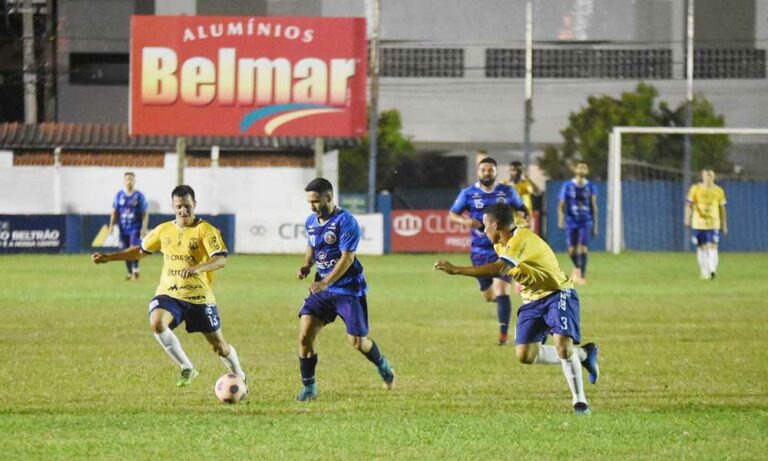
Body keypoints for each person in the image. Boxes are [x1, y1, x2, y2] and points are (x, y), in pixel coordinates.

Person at [434, 203, 600, 415]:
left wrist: (457, 270)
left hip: (557, 292)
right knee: (525, 355)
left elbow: (500, 268)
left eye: (486, 226)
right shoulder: (500, 243)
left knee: (563, 347)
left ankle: (580, 402)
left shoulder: (520, 238)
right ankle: (585, 354)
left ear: (496, 225)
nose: (484, 231)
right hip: (531, 300)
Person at [92, 185, 246, 388]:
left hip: (199, 297)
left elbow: (220, 260)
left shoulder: (205, 230)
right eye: (179, 206)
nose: (183, 211)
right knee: (157, 322)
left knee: (219, 347)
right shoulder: (164, 230)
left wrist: (197, 268)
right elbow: (140, 251)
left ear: (195, 205)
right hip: (169, 294)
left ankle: (239, 375)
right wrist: (108, 258)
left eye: (187, 206)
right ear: (173, 206)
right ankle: (187, 367)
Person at [295, 178, 395, 401]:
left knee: (357, 342)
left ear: (329, 198)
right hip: (322, 290)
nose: (312, 206)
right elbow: (312, 245)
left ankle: (383, 365)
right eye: (309, 202)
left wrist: (325, 282)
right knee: (304, 337)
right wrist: (307, 265)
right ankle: (309, 388)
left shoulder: (346, 221)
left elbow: (348, 258)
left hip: (348, 289)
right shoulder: (311, 221)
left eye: (316, 201)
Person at [449, 156, 529, 346]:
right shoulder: (468, 193)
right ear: (479, 172)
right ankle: (502, 304)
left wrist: (521, 223)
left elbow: (523, 209)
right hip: (479, 250)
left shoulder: (507, 191)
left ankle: (503, 334)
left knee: (502, 290)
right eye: (484, 170)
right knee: (489, 296)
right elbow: (453, 214)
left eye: (491, 170)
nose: (487, 173)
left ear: (495, 172)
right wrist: (465, 221)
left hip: (503, 248)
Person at [557, 162, 598, 285]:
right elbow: (561, 204)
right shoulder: (568, 185)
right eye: (580, 166)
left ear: (587, 171)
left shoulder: (590, 186)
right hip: (571, 221)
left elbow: (594, 206)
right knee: (571, 250)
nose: (582, 168)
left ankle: (582, 275)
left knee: (582, 247)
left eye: (585, 167)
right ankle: (577, 268)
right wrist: (560, 219)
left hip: (585, 220)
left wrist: (595, 225)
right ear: (575, 170)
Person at [684, 169, 728, 279]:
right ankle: (704, 272)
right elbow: (689, 205)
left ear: (714, 177)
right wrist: (687, 218)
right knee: (701, 247)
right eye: (706, 175)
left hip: (713, 223)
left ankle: (712, 270)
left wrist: (724, 224)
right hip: (698, 224)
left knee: (713, 246)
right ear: (702, 176)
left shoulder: (719, 191)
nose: (708, 178)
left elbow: (722, 208)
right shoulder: (695, 189)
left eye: (710, 175)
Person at [109, 172, 149, 280]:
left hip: (135, 227)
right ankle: (129, 271)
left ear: (134, 181)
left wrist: (144, 228)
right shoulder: (119, 195)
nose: (129, 181)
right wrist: (111, 225)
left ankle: (135, 268)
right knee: (124, 251)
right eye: (127, 179)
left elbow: (145, 213)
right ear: (124, 181)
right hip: (123, 228)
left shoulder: (139, 196)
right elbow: (114, 211)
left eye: (131, 179)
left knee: (132, 249)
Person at [507, 161, 540, 230]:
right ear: (509, 171)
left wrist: (528, 178)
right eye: (513, 170)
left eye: (518, 170)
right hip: (511, 220)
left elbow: (537, 192)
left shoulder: (526, 183)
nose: (516, 173)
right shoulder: (505, 185)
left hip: (526, 219)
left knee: (528, 240)